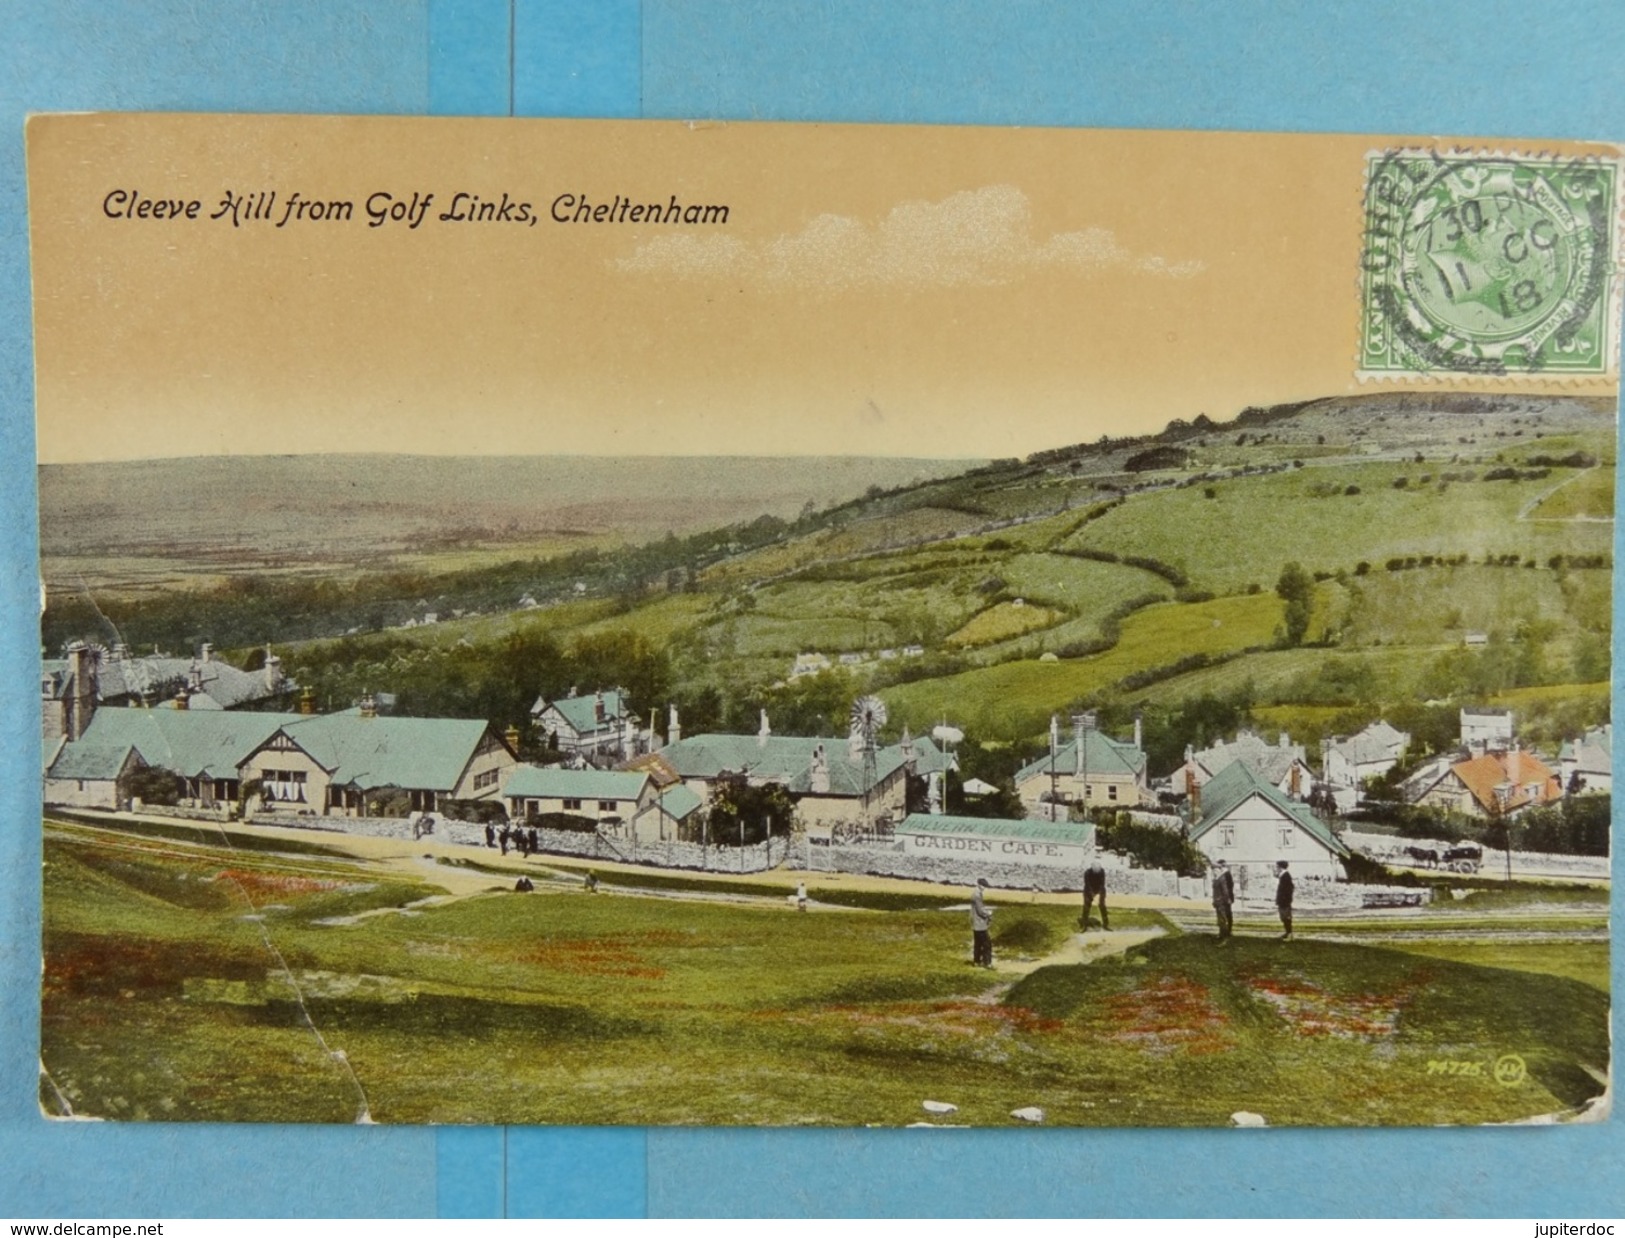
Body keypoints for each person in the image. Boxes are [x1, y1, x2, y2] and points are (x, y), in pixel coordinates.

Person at [970, 878, 994, 968]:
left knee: (978, 944)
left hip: (975, 923)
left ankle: (976, 961)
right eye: (983, 886)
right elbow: (980, 911)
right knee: (987, 944)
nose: (984, 888)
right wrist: (988, 913)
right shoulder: (977, 895)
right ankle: (987, 963)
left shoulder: (975, 894)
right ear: (979, 884)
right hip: (980, 924)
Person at [1211, 859, 1235, 944]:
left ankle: (1225, 936)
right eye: (1213, 870)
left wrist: (1227, 900)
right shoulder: (1217, 878)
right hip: (1218, 902)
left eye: (1215, 869)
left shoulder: (1222, 878)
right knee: (1220, 920)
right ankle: (1222, 934)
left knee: (1223, 919)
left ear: (1219, 869)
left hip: (1222, 902)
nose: (1214, 871)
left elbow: (1225, 891)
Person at [1081, 860, 1109, 931]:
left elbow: (1102, 884)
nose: (1097, 873)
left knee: (1102, 905)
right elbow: (1088, 885)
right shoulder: (1087, 873)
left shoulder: (1102, 872)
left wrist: (1099, 896)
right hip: (1089, 889)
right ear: (1092, 869)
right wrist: (1092, 895)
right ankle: (1084, 925)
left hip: (1099, 888)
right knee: (1086, 906)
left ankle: (1106, 924)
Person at [1275, 860, 1295, 941]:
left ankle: (1289, 934)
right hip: (1283, 900)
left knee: (1286, 917)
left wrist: (1285, 899)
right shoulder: (1283, 875)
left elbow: (1288, 889)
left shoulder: (1286, 876)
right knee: (1283, 917)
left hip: (1285, 901)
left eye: (1277, 866)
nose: (1276, 868)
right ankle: (1287, 932)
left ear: (1280, 867)